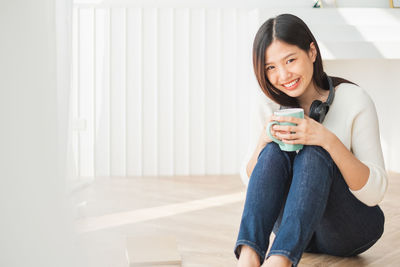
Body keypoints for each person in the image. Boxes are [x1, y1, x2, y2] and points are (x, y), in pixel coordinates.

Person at [234, 14, 387, 267]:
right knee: (272, 150)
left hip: (348, 230)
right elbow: (252, 182)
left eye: (290, 60)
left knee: (314, 152)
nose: (283, 75)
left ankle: (279, 262)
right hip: (293, 233)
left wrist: (326, 140)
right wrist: (263, 140)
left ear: (312, 52)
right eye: (271, 67)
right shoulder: (267, 105)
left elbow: (375, 192)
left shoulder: (354, 99)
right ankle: (249, 256)